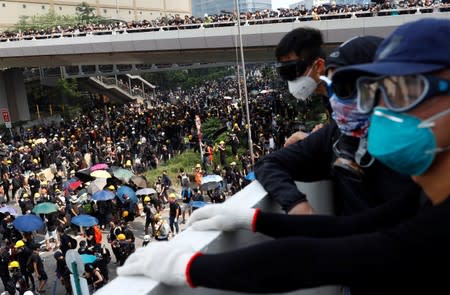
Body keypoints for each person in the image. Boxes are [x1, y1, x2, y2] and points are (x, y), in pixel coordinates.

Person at [116, 18, 450, 294]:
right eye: (379, 94)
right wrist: (251, 220)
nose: (384, 111)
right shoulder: (423, 196)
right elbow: (350, 227)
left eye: (407, 92)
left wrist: (189, 266)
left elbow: (317, 260)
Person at [255, 32, 421, 216]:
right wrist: (297, 206)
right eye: (333, 90)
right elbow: (268, 164)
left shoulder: (424, 151)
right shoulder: (335, 139)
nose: (338, 103)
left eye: (346, 89)